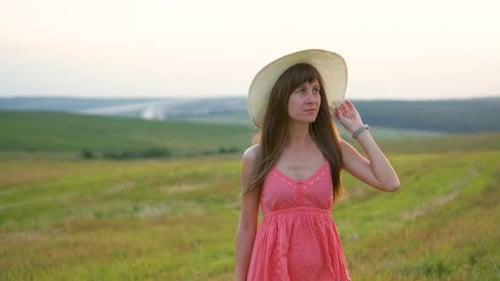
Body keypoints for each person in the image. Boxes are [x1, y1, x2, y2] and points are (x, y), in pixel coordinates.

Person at [234, 49, 400, 281]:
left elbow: (390, 182)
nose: (312, 99)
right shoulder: (256, 157)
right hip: (272, 270)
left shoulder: (333, 149)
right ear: (282, 99)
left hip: (324, 270)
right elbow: (246, 227)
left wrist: (359, 131)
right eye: (301, 91)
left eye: (316, 90)